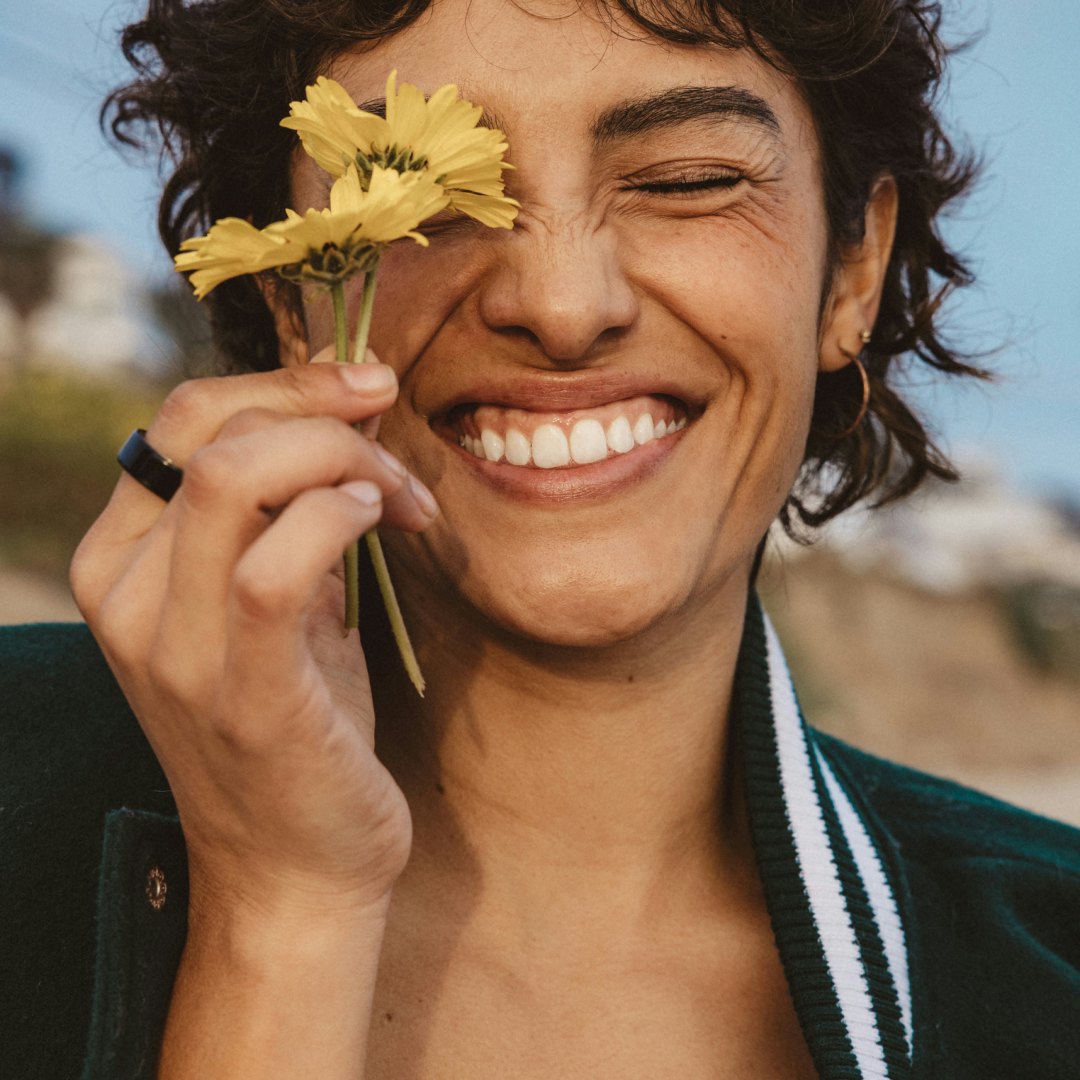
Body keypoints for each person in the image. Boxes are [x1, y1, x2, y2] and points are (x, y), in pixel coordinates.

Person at [1, 1, 1078, 1077]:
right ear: (295, 300)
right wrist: (280, 912)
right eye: (423, 198)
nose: (562, 306)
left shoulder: (1050, 963)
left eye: (686, 181)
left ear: (853, 269)